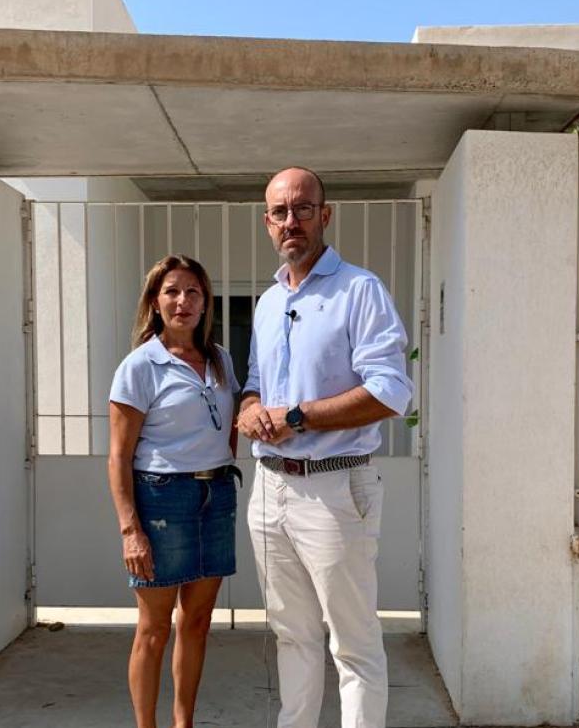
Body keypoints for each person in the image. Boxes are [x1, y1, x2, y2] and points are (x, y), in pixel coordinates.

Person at [238, 167, 413, 728]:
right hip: (270, 491)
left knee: (353, 644)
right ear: (267, 223)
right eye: (280, 212)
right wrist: (248, 410)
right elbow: (255, 381)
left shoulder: (359, 290)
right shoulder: (267, 303)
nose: (292, 221)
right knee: (292, 637)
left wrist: (296, 417)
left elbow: (391, 391)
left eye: (303, 209)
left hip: (336, 487)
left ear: (324, 215)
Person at [108, 254, 240, 728]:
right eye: (171, 291)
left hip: (216, 496)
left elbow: (229, 428)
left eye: (192, 292)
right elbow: (119, 456)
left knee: (198, 620)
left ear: (206, 302)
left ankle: (184, 721)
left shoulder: (221, 360)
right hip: (163, 501)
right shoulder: (140, 366)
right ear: (155, 301)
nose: (182, 301)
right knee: (154, 628)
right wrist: (131, 530)